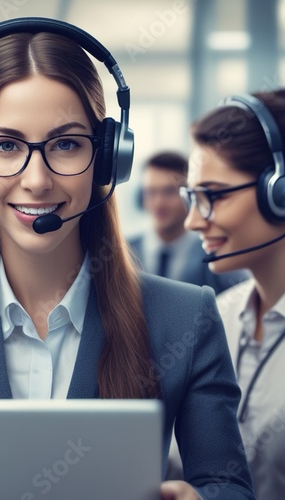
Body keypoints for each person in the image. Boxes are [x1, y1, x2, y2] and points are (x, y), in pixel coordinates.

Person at [0, 18, 255, 499]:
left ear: (106, 157)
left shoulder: (185, 316)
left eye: (66, 144)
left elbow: (228, 487)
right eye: (6, 145)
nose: (36, 180)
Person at [182, 89, 285, 499]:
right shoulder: (212, 317)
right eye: (192, 196)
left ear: (278, 191)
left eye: (215, 195)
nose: (192, 220)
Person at [129, 150, 248, 293]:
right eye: (151, 192)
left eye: (169, 192)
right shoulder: (123, 251)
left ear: (190, 198)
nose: (158, 203)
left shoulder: (215, 253)